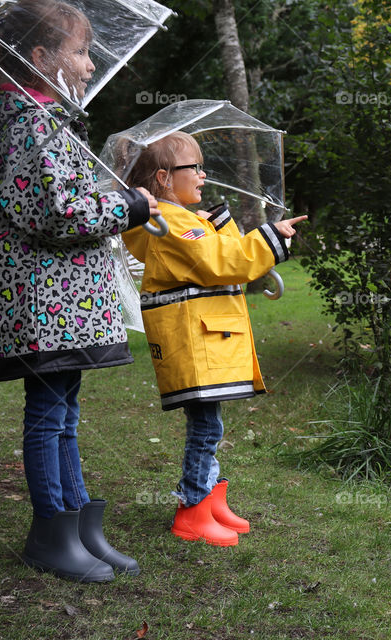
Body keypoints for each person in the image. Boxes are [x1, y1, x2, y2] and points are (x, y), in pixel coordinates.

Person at [0, 0, 161, 582]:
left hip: (60, 305)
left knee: (64, 413)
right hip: (42, 305)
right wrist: (127, 205)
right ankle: (51, 530)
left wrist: (115, 195)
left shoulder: (45, 120)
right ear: (40, 57)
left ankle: (79, 526)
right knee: (49, 414)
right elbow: (58, 213)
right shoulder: (30, 123)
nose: (89, 62)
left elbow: (64, 199)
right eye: (79, 51)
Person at [121, 131, 306, 547]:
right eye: (196, 168)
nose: (204, 175)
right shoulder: (168, 225)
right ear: (165, 178)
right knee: (205, 427)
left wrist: (220, 222)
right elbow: (222, 262)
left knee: (211, 423)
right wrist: (271, 237)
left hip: (204, 340)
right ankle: (192, 508)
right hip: (194, 343)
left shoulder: (184, 221)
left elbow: (220, 251)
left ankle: (212, 498)